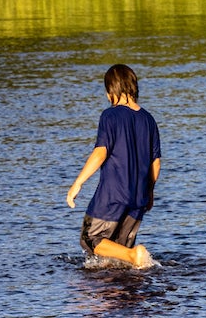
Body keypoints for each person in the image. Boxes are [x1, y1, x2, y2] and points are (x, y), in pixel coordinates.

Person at [64, 64, 162, 269]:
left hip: (113, 194)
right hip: (139, 197)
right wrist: (149, 193)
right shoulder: (149, 119)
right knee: (116, 260)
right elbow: (156, 162)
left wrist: (77, 184)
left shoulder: (110, 116)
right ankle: (121, 296)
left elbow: (101, 152)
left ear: (111, 90)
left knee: (91, 238)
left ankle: (134, 255)